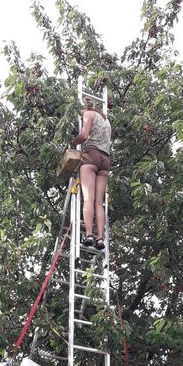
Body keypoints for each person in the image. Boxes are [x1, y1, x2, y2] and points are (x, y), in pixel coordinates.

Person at [71, 97, 111, 251]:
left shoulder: (88, 114)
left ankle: (88, 235)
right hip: (105, 161)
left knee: (88, 198)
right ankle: (100, 238)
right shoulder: (106, 120)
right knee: (99, 203)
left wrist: (72, 143)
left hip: (91, 156)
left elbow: (83, 136)